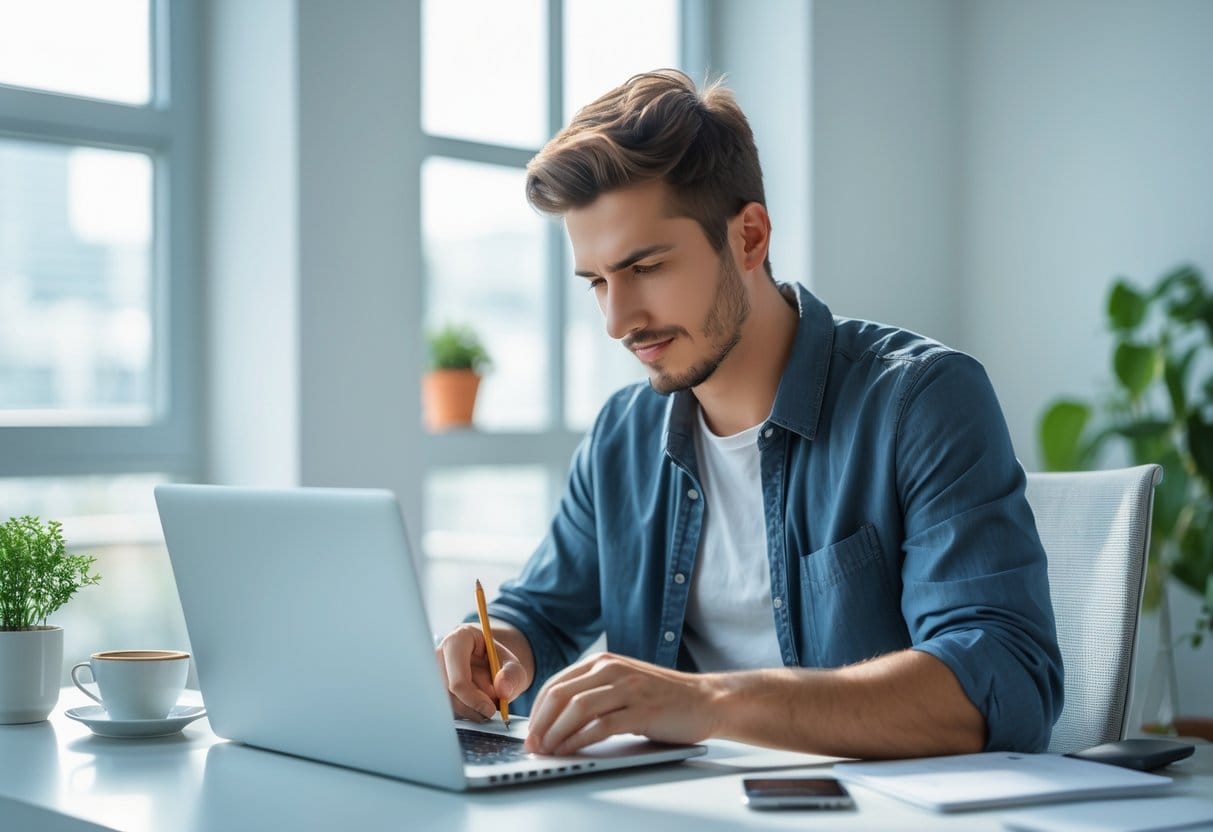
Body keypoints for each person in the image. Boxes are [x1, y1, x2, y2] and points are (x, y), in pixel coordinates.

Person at [435, 69, 1063, 759]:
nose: (618, 321)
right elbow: (543, 615)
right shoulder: (623, 435)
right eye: (597, 282)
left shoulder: (922, 401)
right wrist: (495, 649)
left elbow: (1003, 680)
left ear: (749, 238)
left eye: (645, 268)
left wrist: (707, 704)